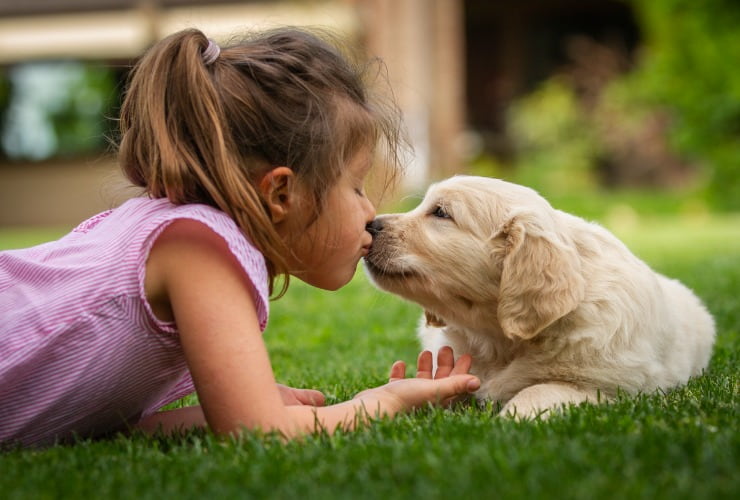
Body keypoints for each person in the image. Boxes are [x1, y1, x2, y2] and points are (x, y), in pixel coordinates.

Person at [0, 27, 479, 448]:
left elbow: (111, 426)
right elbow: (261, 435)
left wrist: (252, 402)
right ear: (281, 193)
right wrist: (383, 402)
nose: (371, 212)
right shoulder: (200, 250)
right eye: (356, 186)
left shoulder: (180, 234)